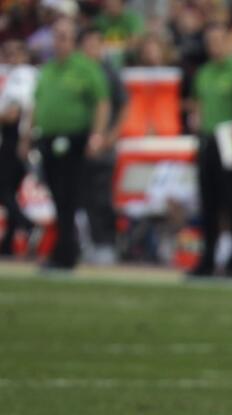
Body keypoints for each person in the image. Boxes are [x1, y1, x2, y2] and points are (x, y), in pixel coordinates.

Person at [32, 17, 110, 272]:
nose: (60, 41)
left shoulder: (85, 68)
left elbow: (101, 101)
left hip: (75, 139)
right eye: (56, 35)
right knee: (56, 195)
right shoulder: (48, 69)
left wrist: (97, 135)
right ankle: (64, 249)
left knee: (69, 196)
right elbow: (38, 103)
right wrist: (29, 134)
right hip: (49, 138)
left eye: (65, 36)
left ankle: (66, 251)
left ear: (74, 39)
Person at [187, 22, 232, 278]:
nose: (213, 47)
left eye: (217, 41)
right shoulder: (204, 72)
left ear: (227, 42)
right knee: (208, 202)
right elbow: (197, 104)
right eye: (209, 42)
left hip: (231, 138)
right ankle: (208, 258)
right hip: (208, 139)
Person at [79, 26, 128, 266]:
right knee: (84, 196)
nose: (91, 49)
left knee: (102, 196)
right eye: (87, 44)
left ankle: (107, 243)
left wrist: (111, 136)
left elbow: (123, 106)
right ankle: (90, 242)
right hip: (80, 141)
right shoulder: (79, 71)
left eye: (95, 44)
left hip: (103, 143)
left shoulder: (109, 72)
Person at [0, 39, 37, 257]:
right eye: (7, 52)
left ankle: (26, 224)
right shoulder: (23, 75)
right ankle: (8, 244)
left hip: (15, 138)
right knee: (10, 191)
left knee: (3, 189)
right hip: (19, 138)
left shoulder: (22, 75)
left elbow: (14, 113)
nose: (10, 57)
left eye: (15, 53)